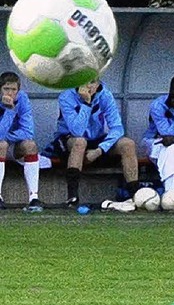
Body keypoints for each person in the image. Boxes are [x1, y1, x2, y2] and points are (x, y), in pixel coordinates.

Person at [44, 79, 139, 209]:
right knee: (80, 142)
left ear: (99, 83)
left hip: (96, 142)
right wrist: (87, 104)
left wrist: (100, 150)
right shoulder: (66, 96)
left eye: (93, 82)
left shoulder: (105, 94)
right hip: (69, 140)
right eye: (85, 82)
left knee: (128, 144)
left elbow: (117, 128)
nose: (89, 86)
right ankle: (72, 197)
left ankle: (135, 196)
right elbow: (77, 130)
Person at [0, 71, 43, 213]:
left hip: (12, 145)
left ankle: (34, 197)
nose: (10, 93)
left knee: (30, 145)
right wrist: (9, 110)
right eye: (6, 89)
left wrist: (8, 137)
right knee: (2, 144)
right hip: (1, 146)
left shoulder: (23, 99)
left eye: (14, 90)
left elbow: (28, 132)